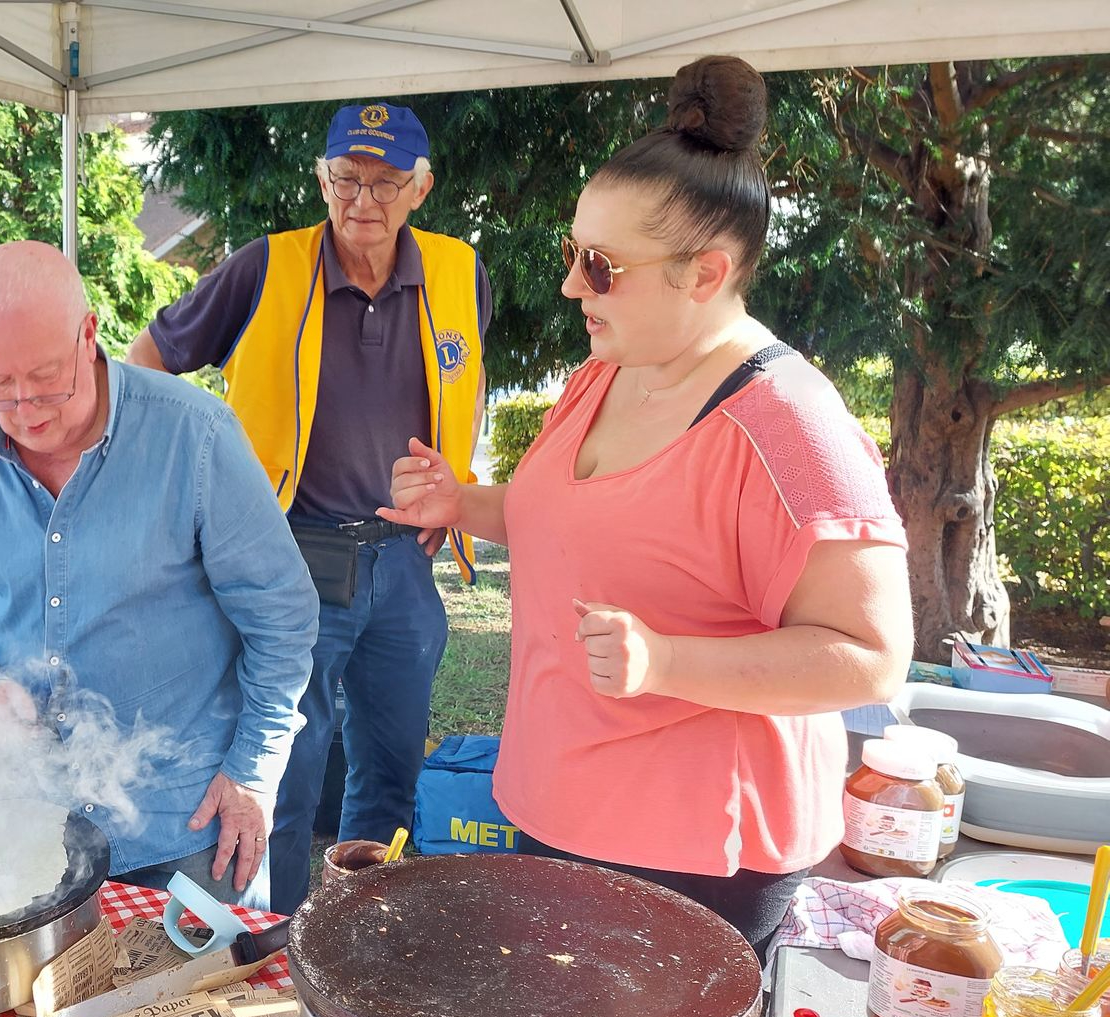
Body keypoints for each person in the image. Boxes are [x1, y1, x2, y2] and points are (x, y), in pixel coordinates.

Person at [380, 57, 912, 955]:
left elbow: (869, 658)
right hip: (560, 806)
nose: (571, 287)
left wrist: (665, 661)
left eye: (602, 266)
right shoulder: (605, 371)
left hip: (693, 858)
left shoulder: (790, 429)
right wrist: (464, 501)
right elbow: (578, 520)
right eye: (571, 253)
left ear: (706, 274)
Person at [126, 103, 492, 913]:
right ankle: (268, 937)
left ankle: (360, 935)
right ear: (322, 180)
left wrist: (452, 489)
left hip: (403, 563)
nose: (363, 200)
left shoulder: (461, 273)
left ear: (422, 188)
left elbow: (466, 387)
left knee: (393, 768)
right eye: (345, 180)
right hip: (287, 559)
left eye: (386, 182)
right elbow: (149, 358)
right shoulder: (265, 268)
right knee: (279, 776)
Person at [0, 240, 318, 911]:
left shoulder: (194, 434)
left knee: (200, 1014)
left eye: (45, 378)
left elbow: (283, 614)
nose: (27, 407)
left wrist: (253, 772)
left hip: (186, 826)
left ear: (88, 333)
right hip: (31, 821)